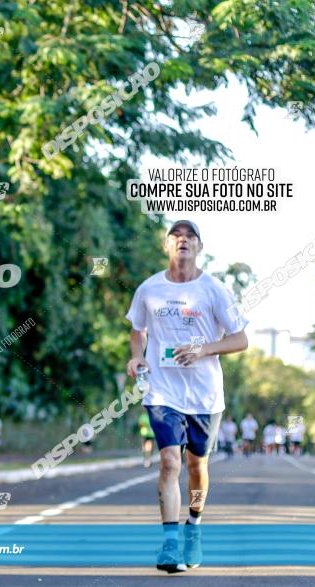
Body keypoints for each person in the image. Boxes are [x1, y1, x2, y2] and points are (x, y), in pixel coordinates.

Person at [125, 220, 248, 574]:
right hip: (162, 391)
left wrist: (204, 350)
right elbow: (137, 331)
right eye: (176, 236)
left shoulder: (216, 290)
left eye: (190, 237)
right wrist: (136, 355)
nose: (183, 241)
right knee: (169, 462)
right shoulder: (149, 289)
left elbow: (240, 339)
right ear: (166, 246)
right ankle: (169, 543)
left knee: (197, 466)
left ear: (199, 247)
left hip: (205, 396)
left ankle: (194, 526)